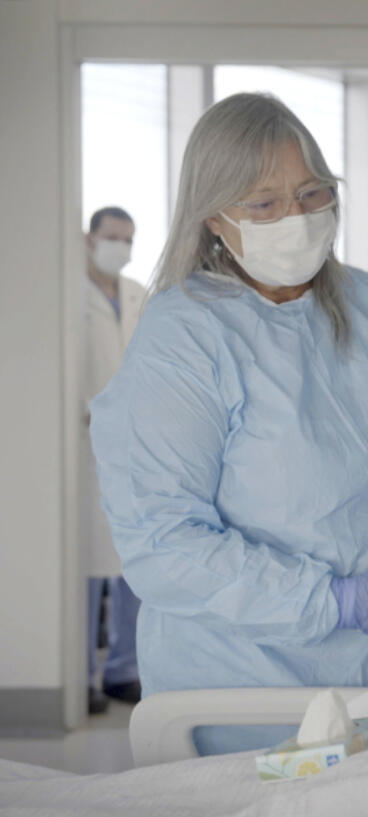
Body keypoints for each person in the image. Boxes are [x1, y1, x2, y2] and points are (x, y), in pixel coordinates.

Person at [90, 93, 368, 754]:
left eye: (313, 193)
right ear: (213, 217)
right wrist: (338, 602)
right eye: (264, 204)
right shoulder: (186, 336)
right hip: (250, 700)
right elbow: (165, 540)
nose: (296, 217)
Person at [80, 205, 146, 713]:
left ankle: (124, 670)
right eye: (112, 238)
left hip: (131, 445)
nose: (120, 248)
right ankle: (79, 673)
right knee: (85, 564)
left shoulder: (138, 296)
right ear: (89, 239)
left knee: (132, 561)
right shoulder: (68, 296)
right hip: (80, 445)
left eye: (128, 240)